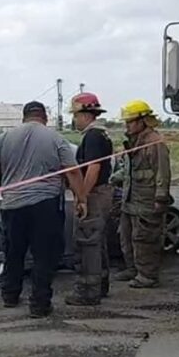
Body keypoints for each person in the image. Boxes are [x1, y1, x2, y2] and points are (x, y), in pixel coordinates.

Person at [0, 101, 87, 318]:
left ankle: (10, 295)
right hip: (44, 205)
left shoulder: (5, 137)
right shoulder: (56, 138)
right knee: (43, 256)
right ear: (44, 117)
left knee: (13, 252)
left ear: (24, 117)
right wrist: (81, 198)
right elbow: (72, 171)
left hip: (12, 206)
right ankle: (39, 304)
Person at [113, 100, 171, 289]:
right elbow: (130, 170)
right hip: (130, 198)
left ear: (142, 121)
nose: (127, 126)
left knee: (145, 238)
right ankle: (133, 268)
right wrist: (114, 178)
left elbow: (162, 172)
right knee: (126, 236)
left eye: (130, 122)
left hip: (146, 200)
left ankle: (147, 275)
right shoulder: (133, 143)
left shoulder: (155, 142)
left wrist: (160, 198)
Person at [65, 93, 114, 306]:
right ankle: (100, 285)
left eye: (75, 115)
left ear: (85, 114)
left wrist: (82, 197)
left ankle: (88, 291)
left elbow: (93, 168)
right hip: (100, 193)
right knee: (96, 241)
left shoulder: (93, 136)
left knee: (87, 243)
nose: (74, 120)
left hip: (94, 195)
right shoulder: (100, 134)